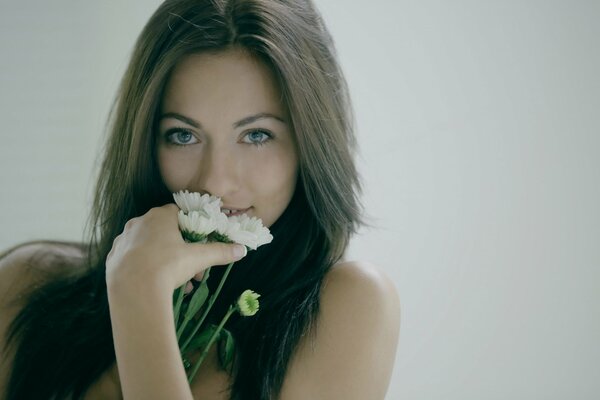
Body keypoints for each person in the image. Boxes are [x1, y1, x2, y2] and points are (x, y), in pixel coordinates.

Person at [0, 0, 400, 399]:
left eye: (257, 135)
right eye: (183, 135)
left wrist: (139, 295)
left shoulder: (347, 307)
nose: (216, 182)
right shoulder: (27, 287)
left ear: (309, 144)